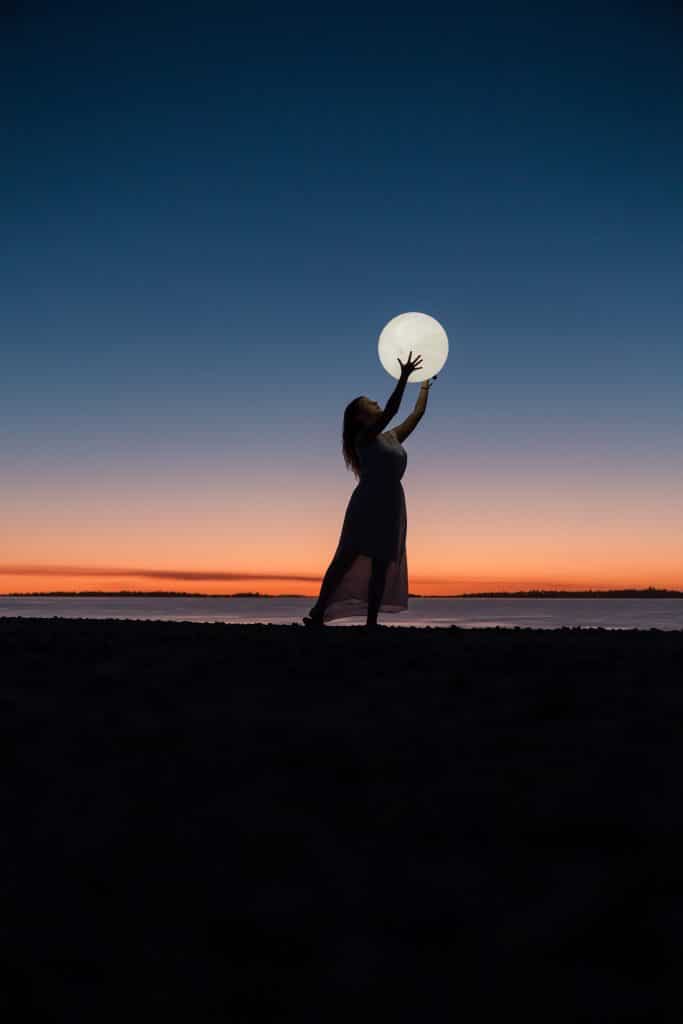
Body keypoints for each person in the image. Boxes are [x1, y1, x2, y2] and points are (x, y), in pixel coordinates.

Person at [303, 351, 433, 629]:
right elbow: (392, 411)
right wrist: (403, 377)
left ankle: (371, 622)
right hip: (367, 501)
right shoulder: (364, 437)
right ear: (360, 415)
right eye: (369, 402)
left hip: (392, 502)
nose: (375, 402)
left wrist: (423, 386)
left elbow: (416, 414)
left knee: (381, 563)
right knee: (346, 557)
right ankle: (318, 612)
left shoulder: (391, 436)